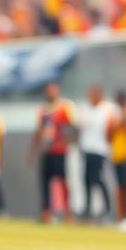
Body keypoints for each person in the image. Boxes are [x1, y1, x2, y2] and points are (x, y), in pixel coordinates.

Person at [28, 82, 76, 224]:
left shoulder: (65, 108)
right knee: (45, 183)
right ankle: (46, 213)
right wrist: (32, 151)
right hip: (47, 150)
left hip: (60, 150)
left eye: (53, 91)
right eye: (48, 91)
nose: (50, 93)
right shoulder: (43, 110)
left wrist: (66, 142)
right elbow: (39, 132)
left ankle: (68, 213)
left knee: (62, 181)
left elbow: (72, 128)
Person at [77, 85, 113, 221]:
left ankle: (107, 210)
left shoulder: (107, 109)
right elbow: (80, 127)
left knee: (98, 179)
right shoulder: (84, 108)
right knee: (86, 180)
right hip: (87, 149)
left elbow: (111, 129)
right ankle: (87, 210)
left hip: (101, 149)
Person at [108, 90, 126, 223]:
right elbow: (108, 133)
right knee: (120, 188)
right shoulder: (114, 114)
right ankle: (121, 217)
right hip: (117, 156)